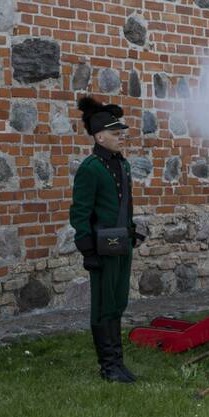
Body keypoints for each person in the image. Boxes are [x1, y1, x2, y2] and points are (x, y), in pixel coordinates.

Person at [70, 97, 144, 383]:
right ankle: (108, 366)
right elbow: (80, 212)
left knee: (118, 301)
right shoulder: (91, 168)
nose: (120, 138)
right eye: (115, 134)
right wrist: (87, 249)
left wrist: (131, 228)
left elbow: (126, 204)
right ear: (100, 136)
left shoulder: (121, 166)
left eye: (120, 133)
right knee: (102, 305)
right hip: (100, 248)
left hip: (121, 243)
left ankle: (118, 362)